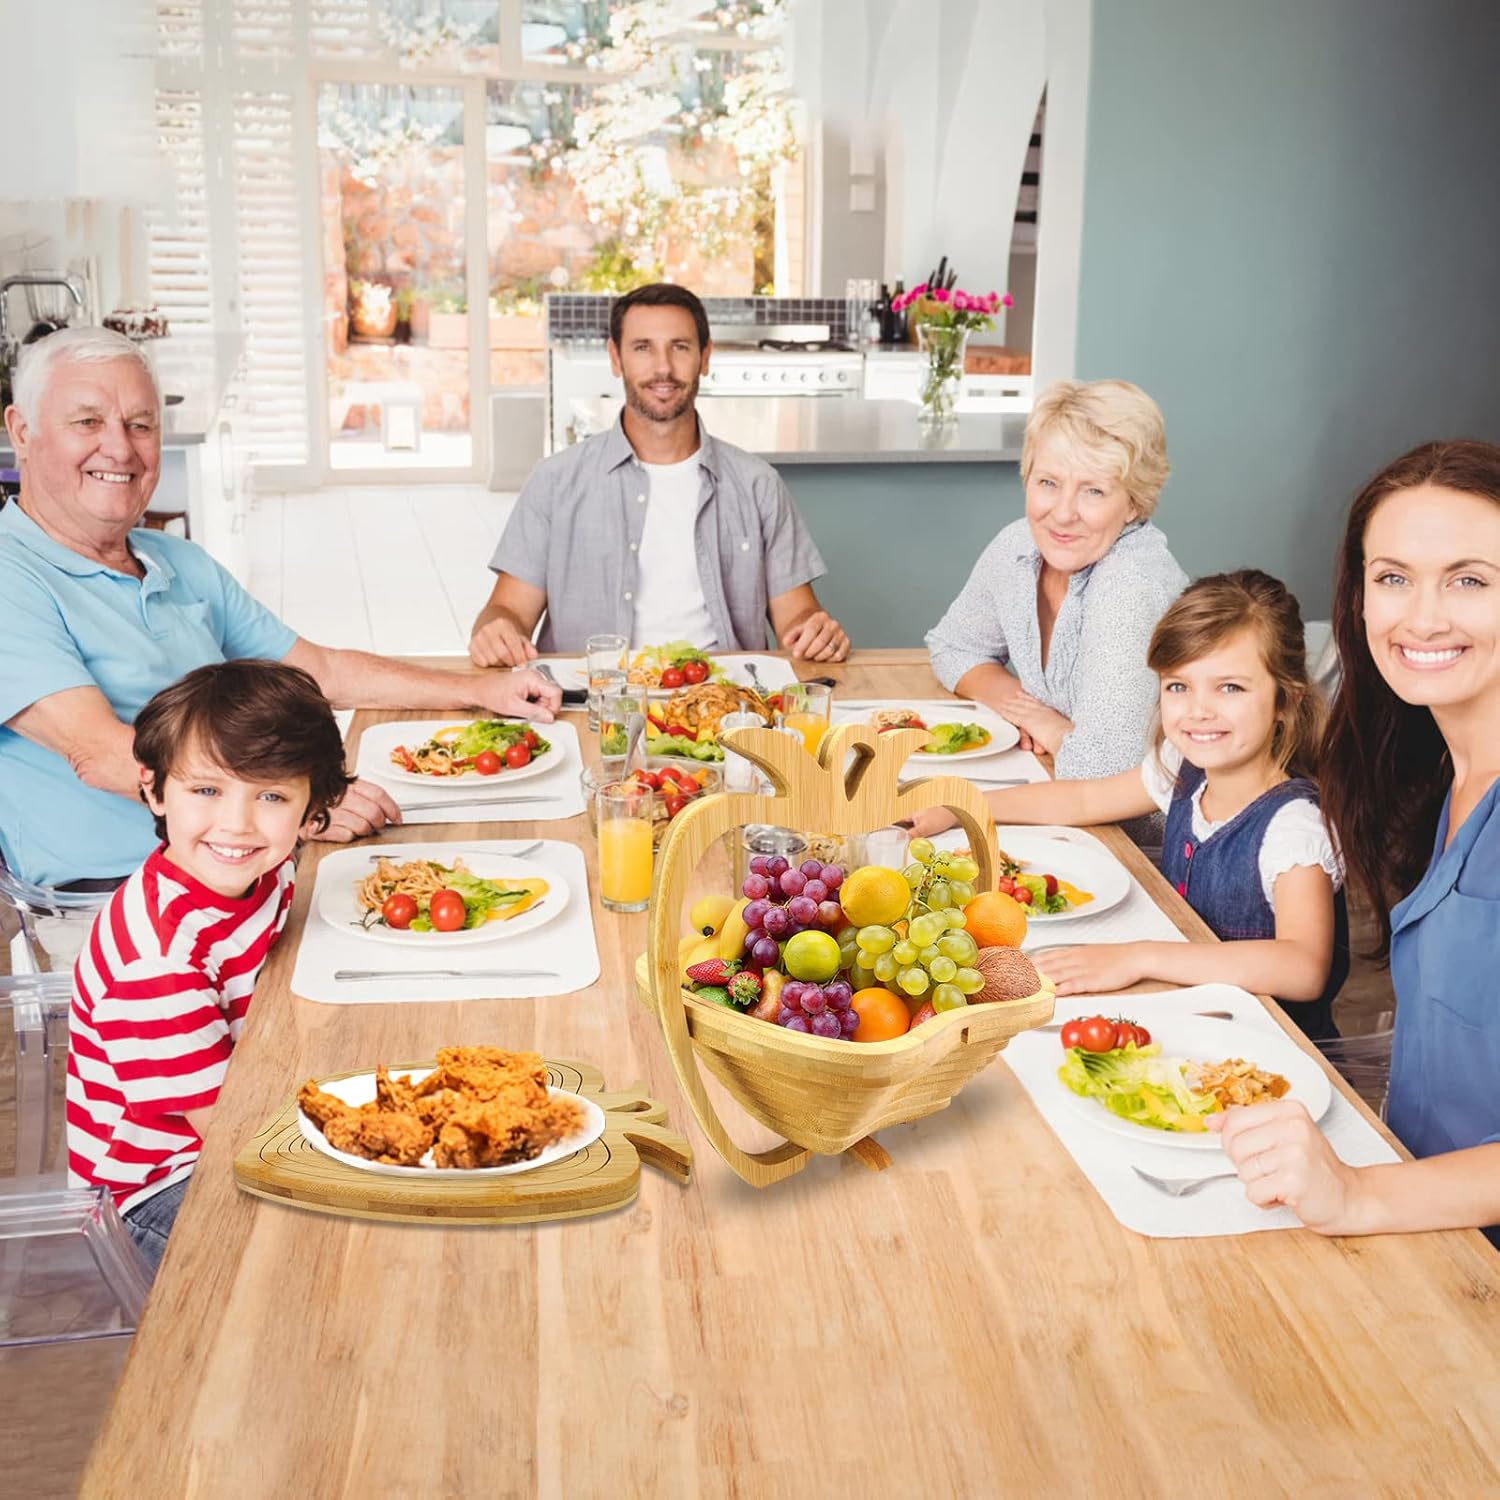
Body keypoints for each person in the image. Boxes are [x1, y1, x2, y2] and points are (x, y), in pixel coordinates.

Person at [0, 326, 560, 888]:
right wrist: (294, 803)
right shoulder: (10, 576)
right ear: (21, 432)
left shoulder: (174, 560)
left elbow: (321, 670)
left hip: (247, 871)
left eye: (140, 425)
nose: (121, 448)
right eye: (87, 422)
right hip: (122, 901)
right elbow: (100, 754)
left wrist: (479, 691)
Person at [1212, 441, 1500, 1238]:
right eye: (1393, 577)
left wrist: (1360, 1196)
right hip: (1422, 1218)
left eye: (1471, 580)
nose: (1423, 617)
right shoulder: (1442, 772)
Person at [911, 571, 1347, 1040]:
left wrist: (1140, 956)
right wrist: (962, 807)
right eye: (1178, 686)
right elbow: (1082, 798)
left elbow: (1303, 967)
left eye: (1230, 688)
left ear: (1286, 700)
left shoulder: (1293, 827)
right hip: (1184, 1011)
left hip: (1266, 1043)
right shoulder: (1184, 767)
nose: (1199, 710)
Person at [66, 660, 351, 1269]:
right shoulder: (157, 965)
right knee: (346, 1254)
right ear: (153, 789)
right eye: (206, 791)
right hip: (166, 1184)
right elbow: (231, 1135)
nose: (237, 825)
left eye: (271, 796)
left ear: (311, 810)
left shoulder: (260, 871)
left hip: (244, 1094)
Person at [469, 282, 849, 665]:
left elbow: (797, 616)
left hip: (724, 696)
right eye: (643, 348)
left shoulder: (757, 484)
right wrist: (498, 631)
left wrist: (813, 632)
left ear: (705, 357)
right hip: (592, 694)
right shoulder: (554, 482)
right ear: (615, 358)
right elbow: (508, 610)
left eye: (679, 347)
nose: (663, 368)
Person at [925, 379, 1187, 778]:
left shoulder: (1130, 586)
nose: (1063, 514)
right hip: (1058, 780)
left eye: (1093, 491)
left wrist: (1046, 725)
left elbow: (1105, 771)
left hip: (1144, 815)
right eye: (1048, 483)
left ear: (1134, 503)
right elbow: (953, 646)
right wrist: (1022, 708)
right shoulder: (1019, 545)